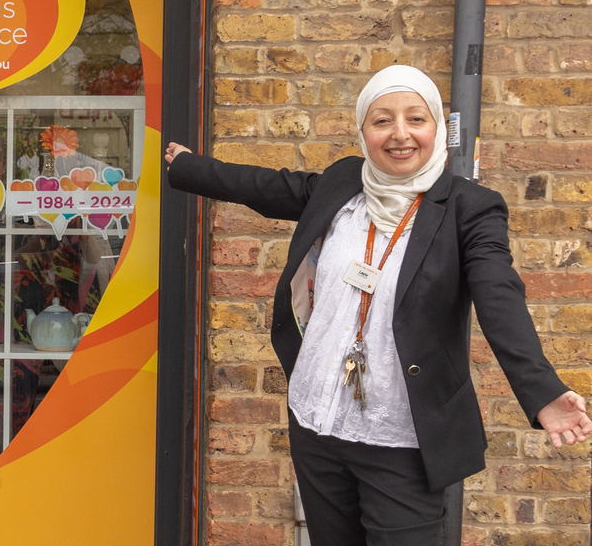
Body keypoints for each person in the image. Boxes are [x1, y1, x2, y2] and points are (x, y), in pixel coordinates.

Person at [164, 65, 591, 546]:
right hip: (318, 423)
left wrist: (541, 391)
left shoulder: (470, 208)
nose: (400, 134)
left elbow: (499, 295)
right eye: (382, 120)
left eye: (416, 119)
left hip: (402, 436)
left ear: (437, 130)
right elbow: (269, 187)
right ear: (363, 130)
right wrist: (187, 166)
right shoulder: (345, 181)